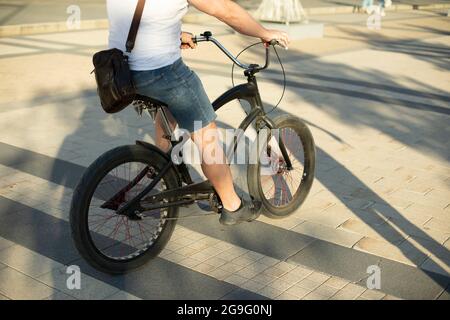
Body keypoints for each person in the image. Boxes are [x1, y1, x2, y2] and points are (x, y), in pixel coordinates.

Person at [107, 0, 290, 225]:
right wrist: (263, 32)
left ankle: (166, 173)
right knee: (207, 139)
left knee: (168, 108)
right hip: (159, 71)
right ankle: (233, 205)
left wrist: (174, 34)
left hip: (122, 71)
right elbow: (226, 10)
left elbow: (134, 17)